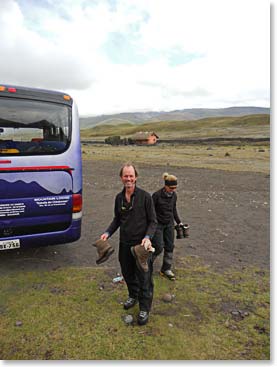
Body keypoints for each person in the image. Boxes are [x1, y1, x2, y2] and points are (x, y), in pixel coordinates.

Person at [100, 163, 157, 325]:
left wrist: (147, 237)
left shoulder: (145, 197)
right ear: (121, 178)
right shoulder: (119, 198)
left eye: (131, 176)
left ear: (136, 177)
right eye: (126, 176)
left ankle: (144, 308)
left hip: (141, 246)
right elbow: (117, 220)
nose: (128, 179)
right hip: (125, 244)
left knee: (144, 277)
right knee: (127, 272)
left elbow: (153, 221)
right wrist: (107, 233)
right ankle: (133, 296)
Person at [152, 172, 183, 281]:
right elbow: (151, 212)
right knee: (158, 247)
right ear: (165, 185)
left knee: (170, 246)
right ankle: (147, 265)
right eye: (171, 187)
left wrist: (179, 222)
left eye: (175, 187)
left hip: (169, 224)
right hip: (158, 225)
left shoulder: (174, 195)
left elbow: (173, 209)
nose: (173, 190)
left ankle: (166, 269)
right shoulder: (156, 196)